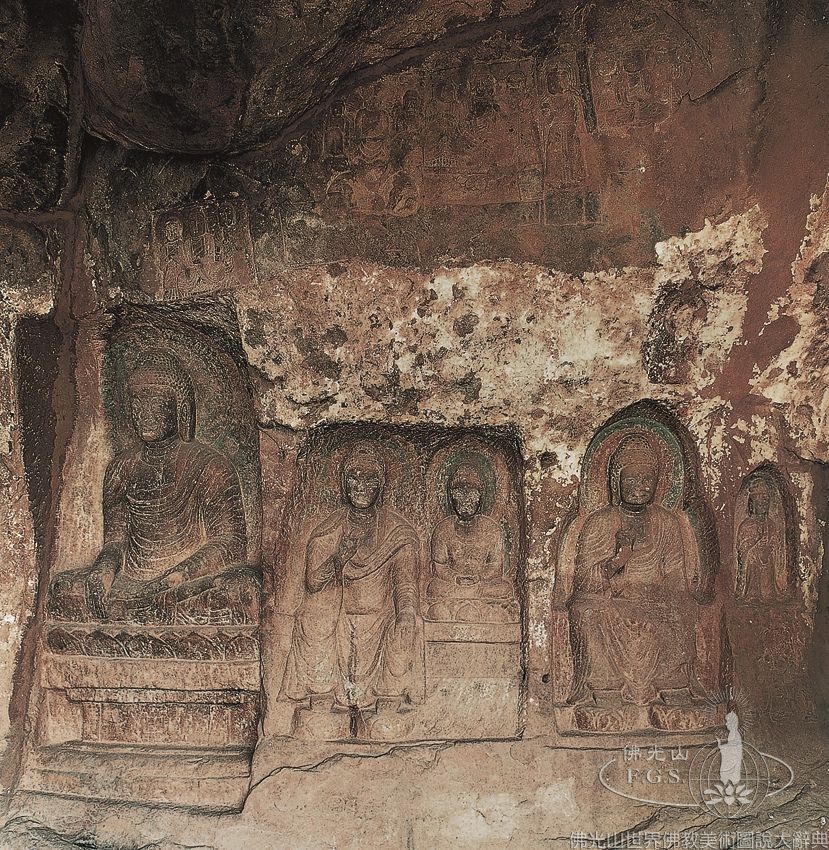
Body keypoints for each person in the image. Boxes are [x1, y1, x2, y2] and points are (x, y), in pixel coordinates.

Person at [48, 353, 258, 625]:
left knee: (240, 590)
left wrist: (180, 574)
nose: (144, 413)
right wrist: (103, 570)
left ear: (180, 408)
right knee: (62, 589)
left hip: (185, 582)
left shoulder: (210, 466)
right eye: (137, 403)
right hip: (131, 581)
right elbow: (116, 541)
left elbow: (231, 543)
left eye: (155, 403)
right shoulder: (122, 467)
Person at [282, 442, 420, 710]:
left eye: (370, 479)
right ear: (343, 483)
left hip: (381, 619)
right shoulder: (329, 530)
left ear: (381, 485)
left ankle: (388, 701)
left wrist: (405, 611)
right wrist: (338, 558)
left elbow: (405, 585)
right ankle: (321, 697)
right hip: (338, 617)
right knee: (311, 617)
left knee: (407, 623)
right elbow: (312, 583)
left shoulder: (398, 533)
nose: (361, 486)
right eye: (354, 478)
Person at [568, 434, 699, 706]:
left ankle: (672, 686)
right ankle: (605, 688)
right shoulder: (600, 522)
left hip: (653, 598)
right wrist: (618, 560)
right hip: (612, 600)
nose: (639, 487)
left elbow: (676, 575)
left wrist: (661, 595)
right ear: (616, 483)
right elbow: (582, 580)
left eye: (646, 480)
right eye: (630, 480)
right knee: (586, 612)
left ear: (658, 483)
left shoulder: (666, 523)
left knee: (682, 608)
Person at [425, 463, 516, 623]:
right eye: (459, 493)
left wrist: (478, 578)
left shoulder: (492, 529)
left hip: (482, 585)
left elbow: (496, 566)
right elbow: (439, 566)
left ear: (481, 497)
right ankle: (482, 610)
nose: (466, 499)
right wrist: (455, 578)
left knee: (505, 589)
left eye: (472, 493)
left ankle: (455, 608)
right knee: (434, 588)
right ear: (450, 497)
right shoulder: (443, 529)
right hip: (453, 585)